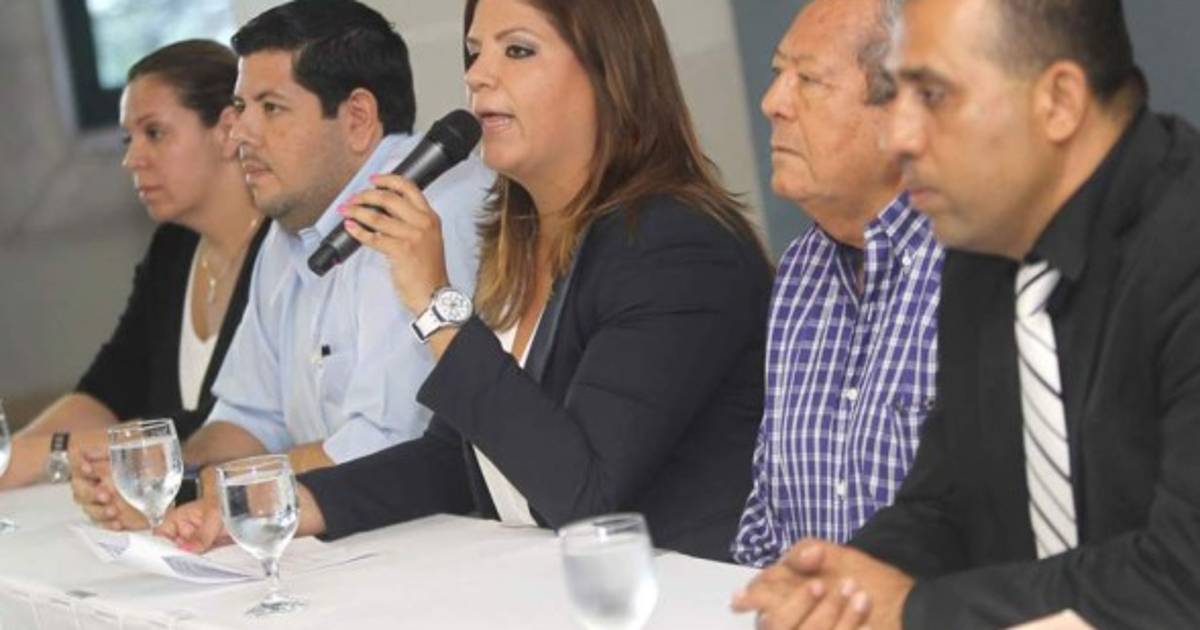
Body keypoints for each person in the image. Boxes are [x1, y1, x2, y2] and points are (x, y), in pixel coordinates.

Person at [161, 0, 772, 562]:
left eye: (518, 50)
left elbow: (586, 495)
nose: (478, 75)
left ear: (607, 71)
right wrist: (285, 504)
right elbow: (457, 460)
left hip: (677, 600)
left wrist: (436, 306)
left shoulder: (676, 248)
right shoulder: (519, 240)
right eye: (474, 52)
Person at [733, 0, 1200, 627]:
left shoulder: (1184, 244)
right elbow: (948, 498)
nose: (899, 136)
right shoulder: (983, 247)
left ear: (1059, 102)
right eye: (896, 94)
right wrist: (847, 580)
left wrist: (913, 608)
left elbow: (1183, 578)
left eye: (932, 95)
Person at [74, 0, 492, 528]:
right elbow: (248, 416)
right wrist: (160, 476)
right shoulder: (287, 228)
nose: (240, 134)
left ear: (357, 119)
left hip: (445, 539)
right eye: (240, 107)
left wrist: (195, 490)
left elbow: (379, 447)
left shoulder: (424, 210)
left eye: (271, 108)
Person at [0, 40, 268, 496]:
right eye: (129, 139)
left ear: (227, 131)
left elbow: (235, 428)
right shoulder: (174, 248)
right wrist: (13, 454)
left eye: (154, 133)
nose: (132, 158)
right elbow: (109, 390)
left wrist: (54, 453)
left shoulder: (282, 249)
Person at [731, 0, 943, 567]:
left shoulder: (977, 266)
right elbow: (768, 515)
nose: (772, 102)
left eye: (809, 80)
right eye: (778, 72)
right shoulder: (801, 269)